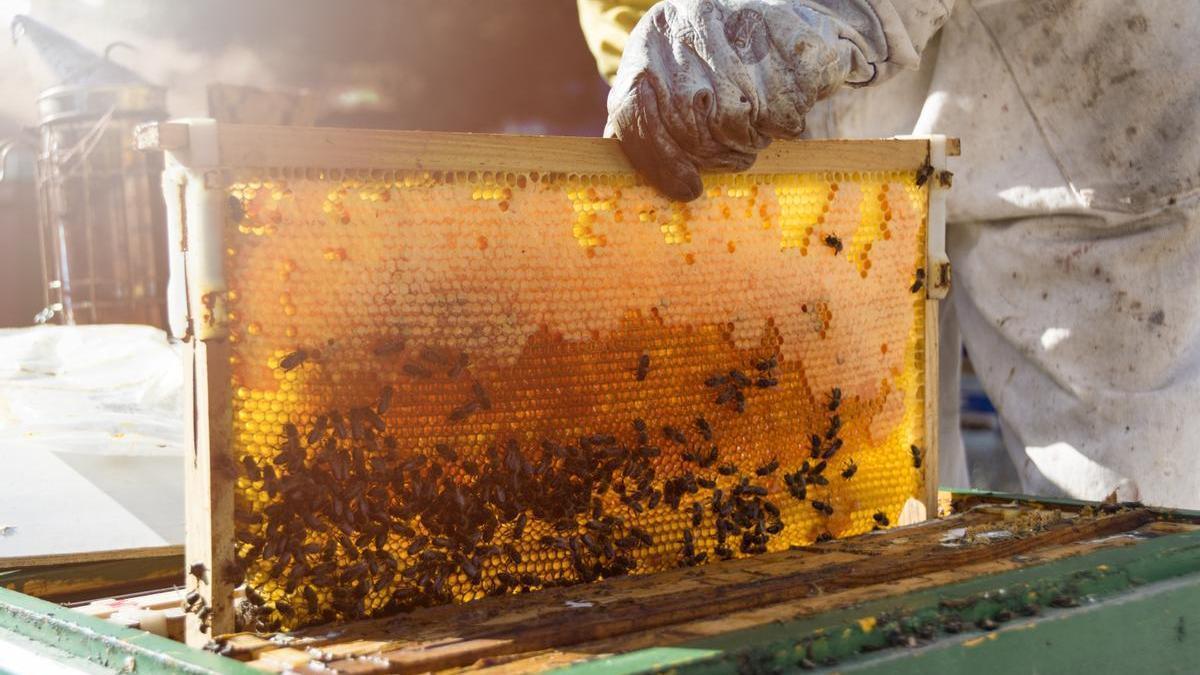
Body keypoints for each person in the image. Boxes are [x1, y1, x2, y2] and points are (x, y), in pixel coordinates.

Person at [577, 0, 1200, 509]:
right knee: (871, 496)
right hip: (809, 130)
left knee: (1141, 514)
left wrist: (786, 13)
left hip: (1077, 94)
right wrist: (664, 64)